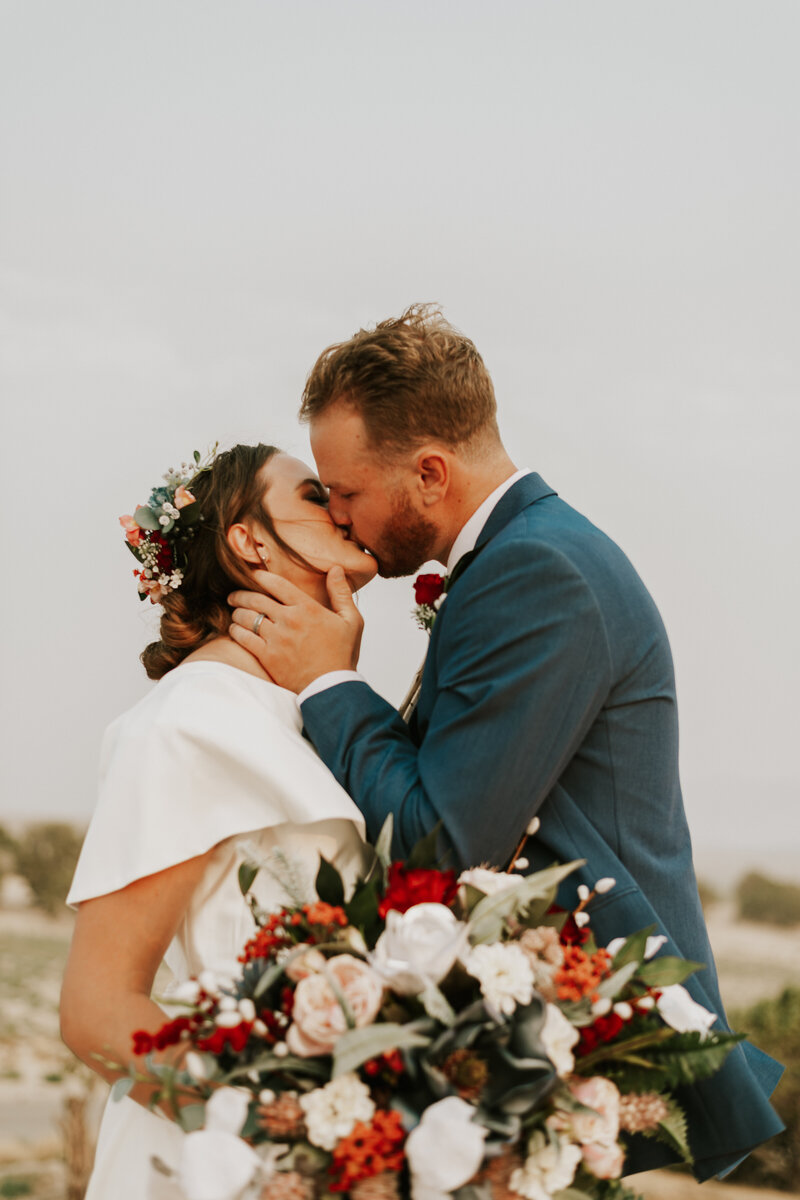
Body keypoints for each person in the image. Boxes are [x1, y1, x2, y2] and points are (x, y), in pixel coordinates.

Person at [228, 305, 784, 1180]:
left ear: (430, 473)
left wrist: (329, 682)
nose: (338, 515)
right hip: (533, 1031)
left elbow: (442, 841)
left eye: (346, 492)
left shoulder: (538, 572)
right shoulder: (522, 555)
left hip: (581, 1036)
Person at [61, 443, 376, 1198]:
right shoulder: (184, 723)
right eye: (312, 494)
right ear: (249, 539)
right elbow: (97, 1011)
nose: (340, 506)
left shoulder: (307, 719)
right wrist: (273, 1135)